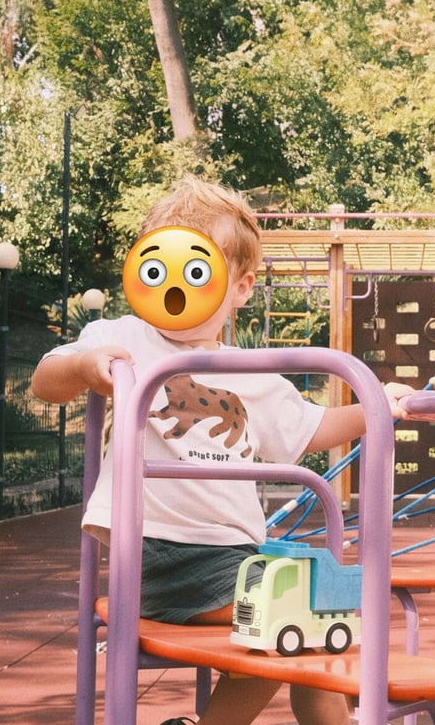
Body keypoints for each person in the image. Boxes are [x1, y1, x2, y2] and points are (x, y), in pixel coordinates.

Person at [32, 176, 413, 725]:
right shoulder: (127, 340)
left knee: (319, 630)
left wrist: (377, 404)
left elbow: (312, 430)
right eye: (159, 269)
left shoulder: (251, 375)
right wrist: (88, 367)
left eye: (199, 272)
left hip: (234, 559)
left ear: (241, 287)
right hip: (155, 554)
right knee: (296, 619)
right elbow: (46, 380)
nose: (176, 292)